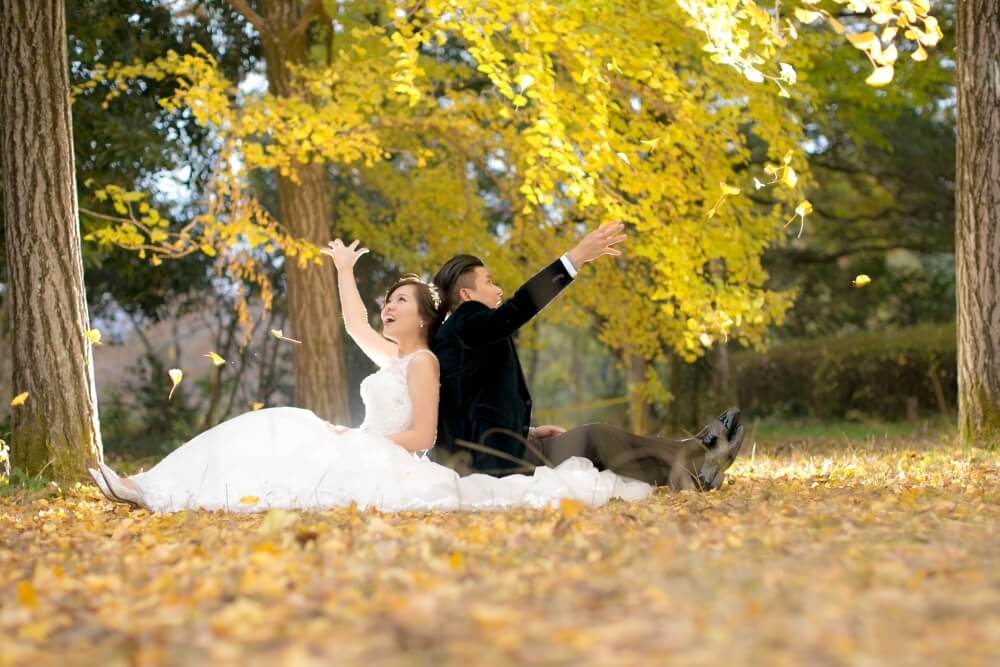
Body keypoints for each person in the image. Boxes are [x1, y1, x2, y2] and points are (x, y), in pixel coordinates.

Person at [90, 239, 651, 512]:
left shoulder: (428, 359)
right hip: (361, 442)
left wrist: (354, 438)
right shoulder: (398, 358)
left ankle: (158, 492)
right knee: (274, 424)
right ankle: (152, 486)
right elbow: (354, 322)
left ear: (425, 314)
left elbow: (427, 436)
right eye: (389, 301)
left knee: (286, 442)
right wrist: (342, 270)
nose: (389, 307)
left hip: (379, 452)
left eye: (400, 301)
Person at [430, 222, 746, 490]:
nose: (497, 289)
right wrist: (575, 257)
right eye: (488, 282)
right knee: (596, 439)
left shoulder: (461, 335)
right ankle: (698, 458)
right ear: (466, 295)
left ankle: (696, 469)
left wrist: (528, 431)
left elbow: (466, 408)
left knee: (600, 443)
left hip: (505, 450)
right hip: (496, 463)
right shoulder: (466, 320)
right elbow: (519, 307)